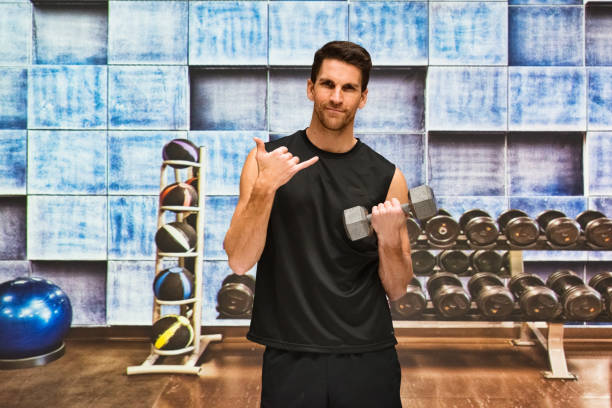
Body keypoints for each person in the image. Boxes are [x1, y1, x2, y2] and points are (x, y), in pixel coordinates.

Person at [223, 41, 413, 408]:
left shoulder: (387, 176)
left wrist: (389, 240)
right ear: (311, 88)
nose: (336, 97)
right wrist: (265, 188)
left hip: (367, 352)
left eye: (349, 88)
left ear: (363, 97)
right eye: (327, 85)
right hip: (291, 352)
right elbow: (239, 260)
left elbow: (399, 288)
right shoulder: (269, 161)